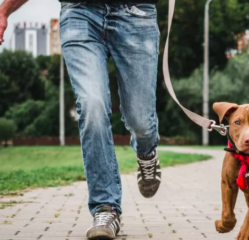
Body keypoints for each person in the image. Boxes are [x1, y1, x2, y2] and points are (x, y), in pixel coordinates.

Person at [0, 0, 162, 239]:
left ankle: (147, 153)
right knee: (91, 105)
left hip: (137, 14)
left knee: (140, 120)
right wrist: (4, 10)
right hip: (79, 12)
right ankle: (105, 208)